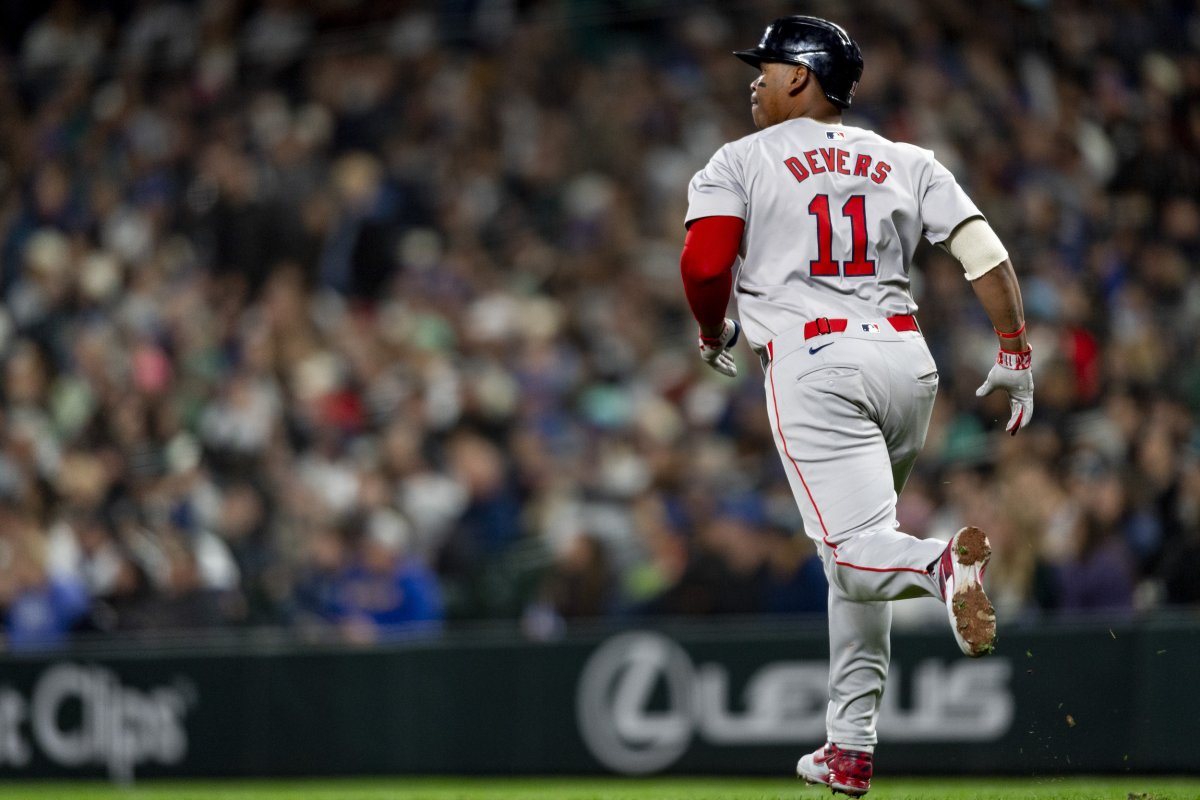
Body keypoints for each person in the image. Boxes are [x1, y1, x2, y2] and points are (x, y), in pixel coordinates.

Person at [679, 16, 1034, 797]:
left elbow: (705, 265)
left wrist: (713, 329)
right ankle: (851, 745)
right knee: (860, 547)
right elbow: (984, 252)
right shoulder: (905, 158)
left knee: (852, 554)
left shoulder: (739, 159)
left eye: (767, 66)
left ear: (801, 76)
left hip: (815, 361)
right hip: (907, 362)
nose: (754, 78)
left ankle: (942, 565)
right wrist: (1012, 351)